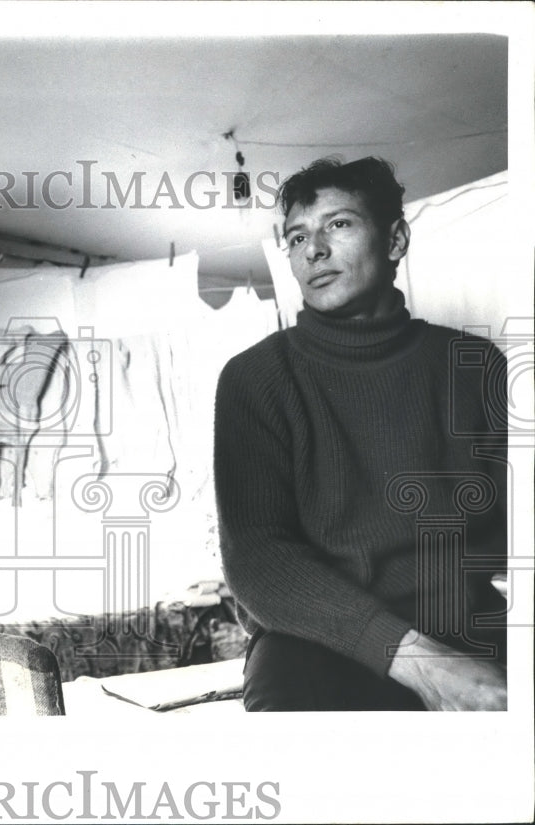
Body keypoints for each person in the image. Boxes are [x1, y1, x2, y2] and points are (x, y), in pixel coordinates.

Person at [214, 156, 508, 711]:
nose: (313, 250)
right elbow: (257, 558)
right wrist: (423, 663)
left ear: (396, 239)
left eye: (338, 225)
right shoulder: (254, 380)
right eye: (297, 237)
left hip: (471, 625)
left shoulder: (473, 364)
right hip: (316, 644)